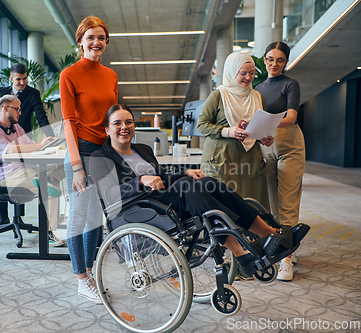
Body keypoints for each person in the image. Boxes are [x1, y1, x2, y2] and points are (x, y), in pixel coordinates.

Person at [89, 104, 309, 275]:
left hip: (162, 202)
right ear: (107, 129)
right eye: (117, 123)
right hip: (136, 211)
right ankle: (241, 253)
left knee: (205, 182)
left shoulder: (143, 150)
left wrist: (184, 173)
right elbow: (109, 194)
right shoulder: (100, 157)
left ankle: (272, 235)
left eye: (128, 122)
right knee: (188, 188)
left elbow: (161, 178)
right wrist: (141, 181)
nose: (124, 127)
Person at [60, 16, 118, 304]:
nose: (97, 42)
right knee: (79, 215)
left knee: (97, 217)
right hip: (81, 151)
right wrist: (76, 166)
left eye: (102, 38)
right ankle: (81, 279)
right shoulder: (69, 75)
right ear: (80, 41)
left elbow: (112, 118)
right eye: (91, 37)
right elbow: (68, 122)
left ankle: (90, 271)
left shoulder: (110, 75)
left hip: (104, 153)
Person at [0, 95, 65, 247]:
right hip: (9, 176)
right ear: (5, 108)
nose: (20, 113)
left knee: (64, 167)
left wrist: (47, 147)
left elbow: (30, 144)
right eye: (17, 110)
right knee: (49, 189)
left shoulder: (16, 127)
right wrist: (39, 146)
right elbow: (11, 150)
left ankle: (50, 178)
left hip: (27, 170)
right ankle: (48, 232)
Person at [197, 52, 274, 210]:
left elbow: (260, 127)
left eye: (252, 73)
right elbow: (202, 125)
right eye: (243, 73)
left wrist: (264, 138)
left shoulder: (258, 98)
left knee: (252, 204)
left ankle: (254, 235)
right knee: (223, 205)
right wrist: (227, 131)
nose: (248, 77)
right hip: (221, 160)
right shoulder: (219, 95)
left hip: (251, 160)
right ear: (232, 72)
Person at [255, 42, 305, 281]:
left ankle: (286, 260)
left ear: (286, 62)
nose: (274, 64)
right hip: (266, 146)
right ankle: (284, 246)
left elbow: (292, 116)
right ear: (264, 60)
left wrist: (264, 123)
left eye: (280, 60)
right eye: (270, 59)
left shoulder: (290, 84)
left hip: (289, 146)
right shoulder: (257, 88)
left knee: (287, 201)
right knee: (272, 204)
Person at [0, 63, 55, 231]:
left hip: (20, 139)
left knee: (52, 179)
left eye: (25, 79)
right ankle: (5, 219)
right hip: (7, 162)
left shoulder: (31, 96)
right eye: (18, 79)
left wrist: (49, 138)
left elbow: (41, 116)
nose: (22, 82)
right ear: (11, 78)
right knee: (47, 187)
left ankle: (25, 220)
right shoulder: (1, 96)